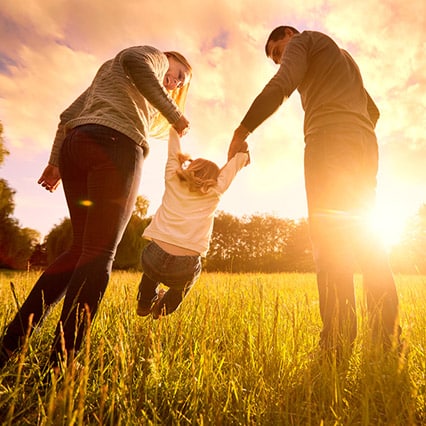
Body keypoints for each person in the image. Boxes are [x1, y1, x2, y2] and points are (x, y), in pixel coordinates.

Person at [0, 46, 192, 371]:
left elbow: (66, 116)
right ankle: (63, 362)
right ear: (166, 59)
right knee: (100, 253)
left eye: (179, 83)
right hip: (116, 146)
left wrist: (54, 163)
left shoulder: (110, 75)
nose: (172, 82)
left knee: (80, 251)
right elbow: (135, 60)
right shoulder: (151, 56)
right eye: (175, 74)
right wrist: (175, 115)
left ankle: (9, 345)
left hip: (77, 146)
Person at [228, 26, 400, 356]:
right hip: (364, 144)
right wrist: (353, 130)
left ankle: (336, 345)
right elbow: (373, 110)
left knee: (330, 240)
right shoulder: (343, 57)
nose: (280, 60)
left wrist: (242, 129)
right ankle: (386, 341)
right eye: (276, 58)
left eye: (279, 51)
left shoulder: (304, 41)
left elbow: (282, 85)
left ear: (290, 36)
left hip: (329, 141)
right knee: (369, 242)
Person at [136, 127, 249, 319]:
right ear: (215, 178)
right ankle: (162, 310)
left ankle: (144, 303)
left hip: (153, 256)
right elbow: (233, 168)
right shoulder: (216, 191)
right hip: (185, 265)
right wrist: (242, 155)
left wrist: (175, 129)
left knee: (151, 271)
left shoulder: (173, 178)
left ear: (191, 168)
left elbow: (173, 151)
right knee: (184, 284)